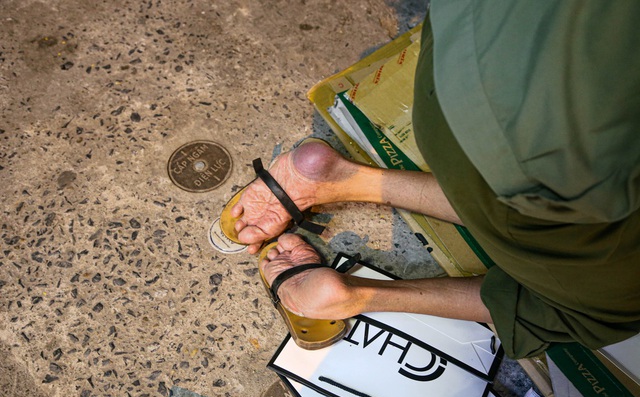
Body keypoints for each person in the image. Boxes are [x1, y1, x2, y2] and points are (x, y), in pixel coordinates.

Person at [228, 1, 640, 359]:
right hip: (562, 146)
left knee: (495, 184)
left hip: (458, 63)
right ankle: (360, 295)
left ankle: (334, 179)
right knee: (604, 308)